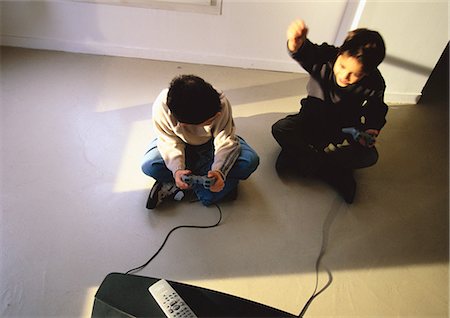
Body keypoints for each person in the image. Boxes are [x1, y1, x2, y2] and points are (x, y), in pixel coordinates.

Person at [272, 19, 388, 203]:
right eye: (342, 66)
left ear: (367, 73)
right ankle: (327, 168)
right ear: (340, 53)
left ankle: (308, 162)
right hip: (309, 121)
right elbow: (305, 52)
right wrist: (295, 43)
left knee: (370, 156)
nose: (344, 76)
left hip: (344, 130)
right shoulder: (325, 57)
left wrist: (372, 128)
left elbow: (377, 109)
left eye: (355, 74)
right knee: (280, 128)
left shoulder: (375, 83)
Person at [142, 74, 259, 209]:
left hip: (211, 145)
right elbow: (168, 140)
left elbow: (225, 140)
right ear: (183, 124)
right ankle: (212, 184)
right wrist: (177, 169)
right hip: (178, 143)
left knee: (249, 162)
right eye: (209, 121)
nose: (217, 116)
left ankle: (179, 184)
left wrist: (219, 171)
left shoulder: (220, 103)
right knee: (150, 166)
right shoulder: (162, 106)